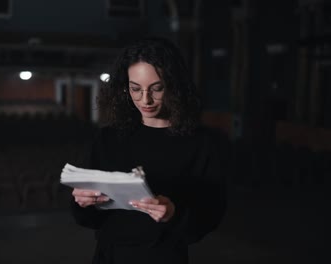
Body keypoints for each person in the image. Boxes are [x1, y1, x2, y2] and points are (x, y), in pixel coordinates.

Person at [70, 37, 226, 264]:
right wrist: (82, 202)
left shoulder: (201, 143)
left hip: (165, 257)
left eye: (157, 88)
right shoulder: (107, 138)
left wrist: (174, 213)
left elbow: (212, 212)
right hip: (110, 256)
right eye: (135, 89)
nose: (145, 99)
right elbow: (88, 219)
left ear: (174, 85)